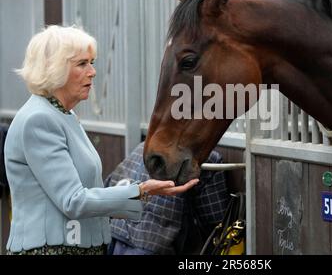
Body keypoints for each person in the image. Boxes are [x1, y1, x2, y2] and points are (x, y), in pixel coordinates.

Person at [3, 25, 199, 255]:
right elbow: (73, 201)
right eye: (82, 63)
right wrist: (141, 190)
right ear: (55, 69)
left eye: (92, 62)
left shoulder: (63, 115)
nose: (92, 72)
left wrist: (146, 192)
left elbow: (86, 195)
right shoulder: (39, 119)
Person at [104, 143, 230, 255]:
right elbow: (215, 221)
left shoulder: (142, 148)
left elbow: (108, 186)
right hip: (154, 246)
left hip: (115, 238)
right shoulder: (205, 159)